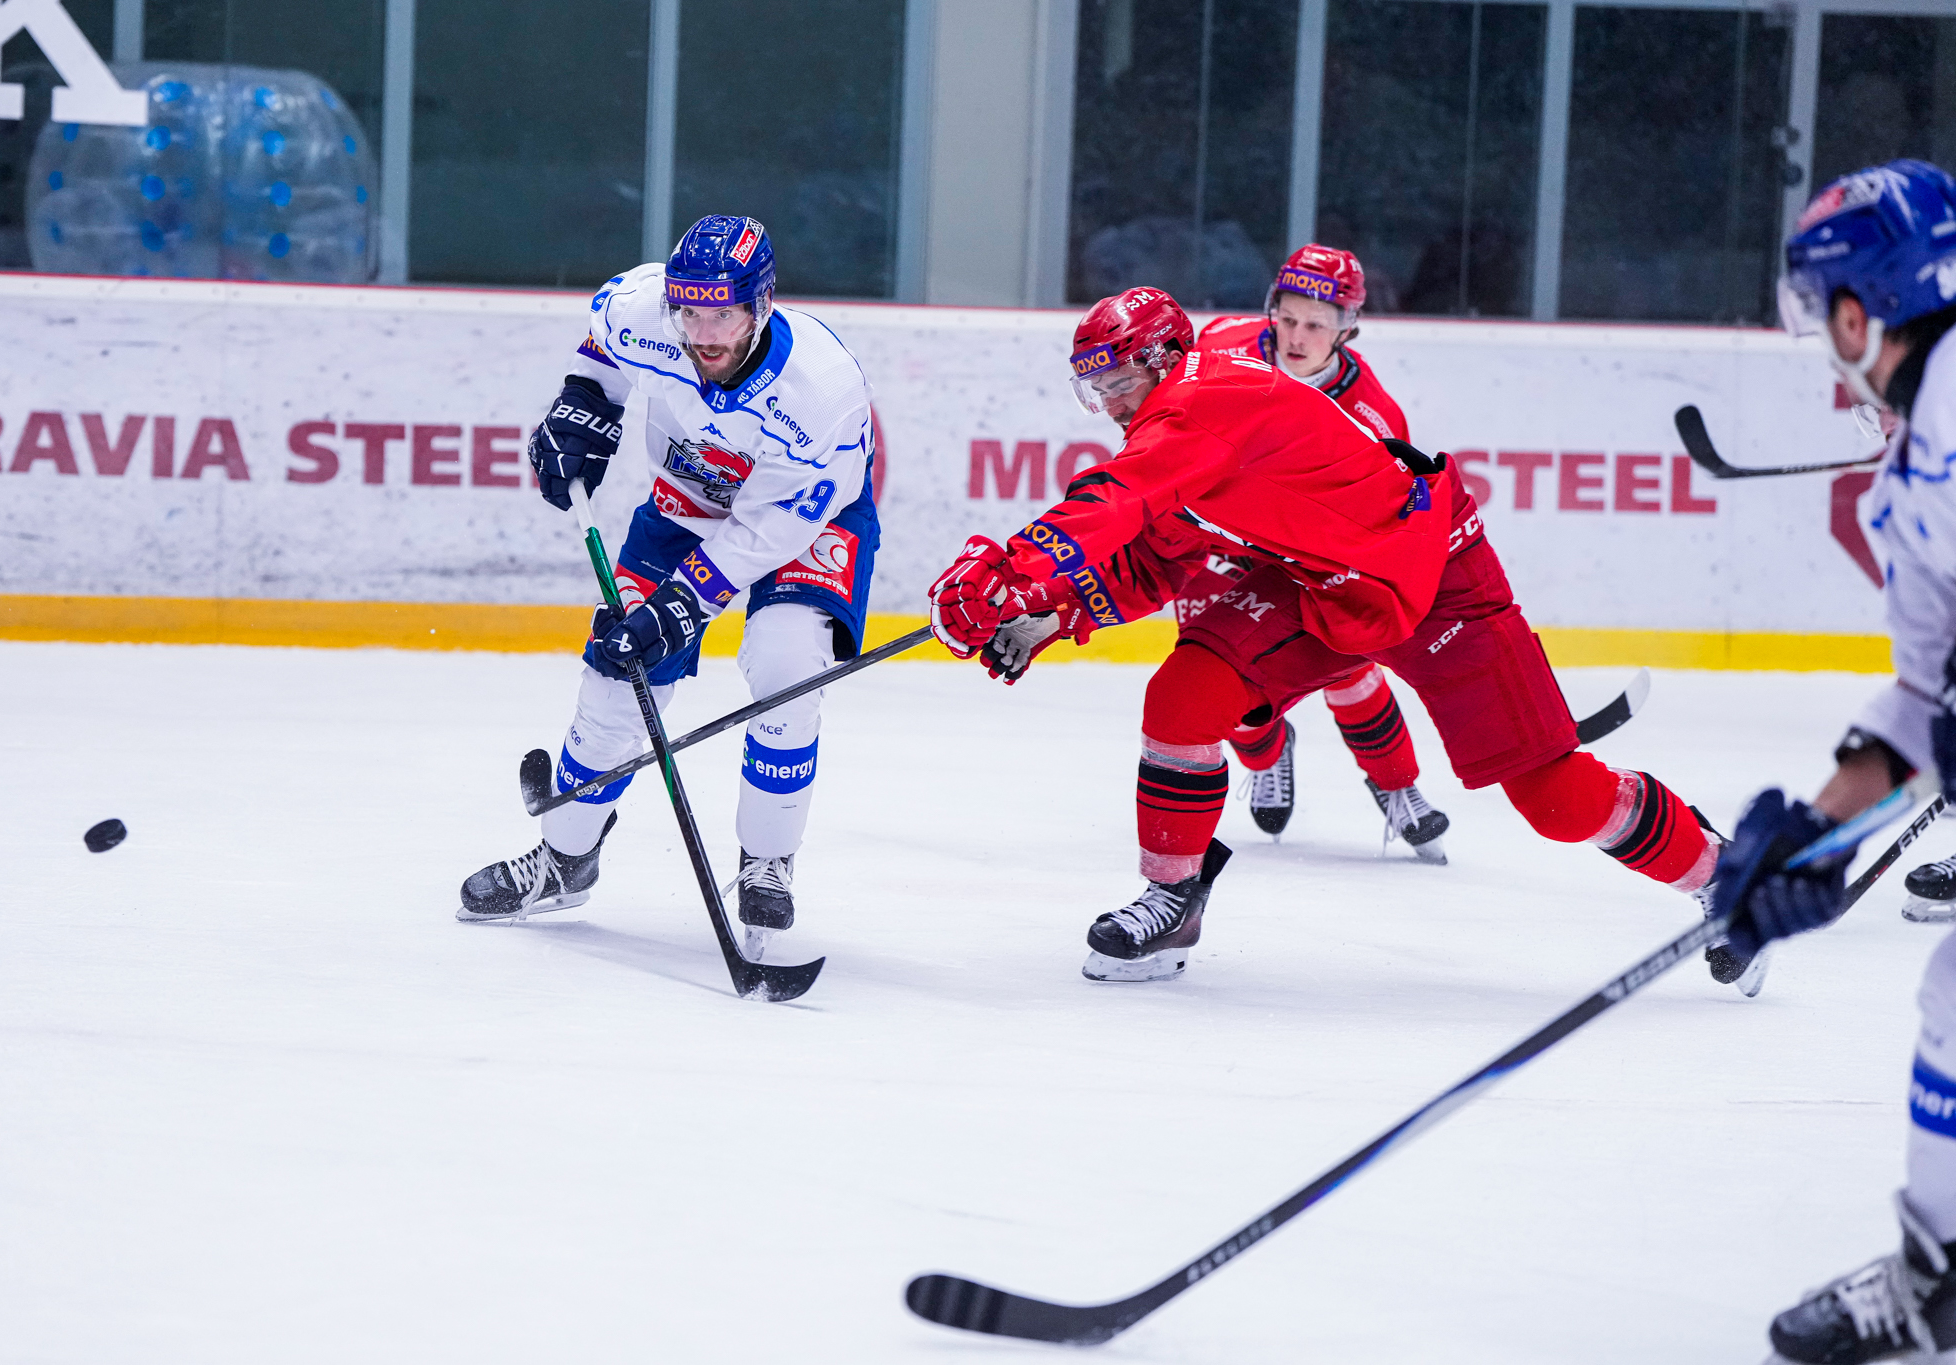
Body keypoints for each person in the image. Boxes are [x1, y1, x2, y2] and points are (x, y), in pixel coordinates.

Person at [931, 286, 1716, 983]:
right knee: (1184, 696)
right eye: (1093, 388)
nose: (1107, 403)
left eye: (1117, 381)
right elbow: (1158, 553)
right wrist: (1050, 611)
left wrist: (1008, 569)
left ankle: (1721, 869)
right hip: (1319, 584)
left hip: (1433, 573)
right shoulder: (1178, 420)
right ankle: (1174, 899)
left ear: (1163, 356)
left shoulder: (1201, 401)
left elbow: (1113, 500)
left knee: (1557, 801)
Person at [457, 215, 879, 960]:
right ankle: (564, 858)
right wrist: (584, 407)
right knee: (617, 674)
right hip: (686, 503)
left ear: (762, 304)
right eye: (690, 313)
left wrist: (683, 604)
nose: (703, 334)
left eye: (724, 316)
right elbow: (604, 349)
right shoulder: (643, 309)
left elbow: (768, 532)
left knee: (787, 665)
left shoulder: (821, 395)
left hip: (808, 520)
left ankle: (767, 860)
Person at [1700, 160, 1956, 1365]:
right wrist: (1809, 838)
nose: (1821, 348)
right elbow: (1919, 699)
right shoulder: (1909, 478)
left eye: (1820, 315)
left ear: (1858, 312)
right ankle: (1939, 1278)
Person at [1187, 244, 1449, 859]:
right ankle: (1269, 754)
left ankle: (1397, 785)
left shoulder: (1373, 414)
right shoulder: (1220, 347)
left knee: (1350, 666)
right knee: (1219, 681)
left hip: (1307, 553)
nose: (1297, 337)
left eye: (1316, 324)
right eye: (1288, 319)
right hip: (1218, 541)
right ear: (1271, 310)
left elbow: (1386, 516)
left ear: (1346, 328)